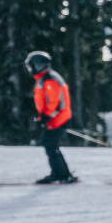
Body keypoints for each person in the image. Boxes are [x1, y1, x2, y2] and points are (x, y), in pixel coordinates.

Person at [26, 51, 76, 185]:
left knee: (50, 145)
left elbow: (54, 101)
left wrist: (46, 116)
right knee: (51, 146)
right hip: (55, 119)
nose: (30, 70)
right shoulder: (44, 78)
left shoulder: (49, 79)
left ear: (39, 65)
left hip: (58, 119)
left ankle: (61, 174)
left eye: (31, 66)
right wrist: (43, 116)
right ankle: (62, 174)